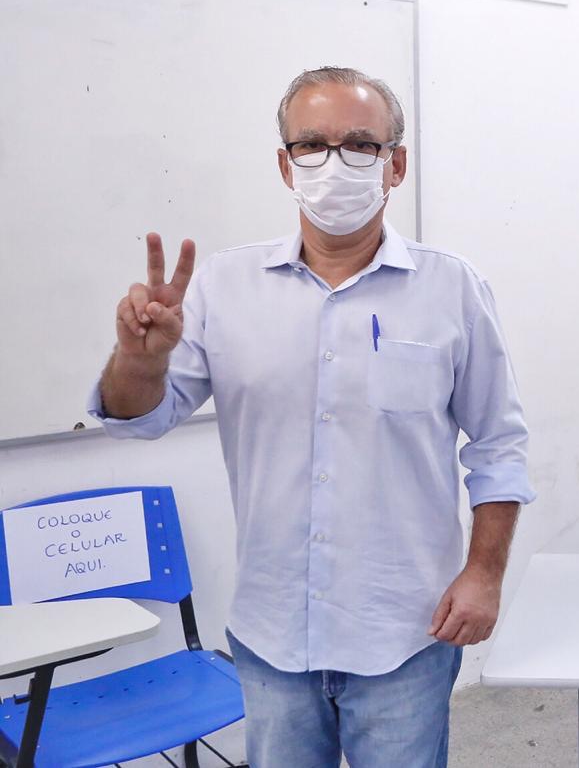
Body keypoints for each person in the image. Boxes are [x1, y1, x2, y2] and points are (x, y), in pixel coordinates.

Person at [90, 66, 533, 767]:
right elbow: (140, 419)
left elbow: (500, 446)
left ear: (397, 165)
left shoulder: (452, 288)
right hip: (272, 636)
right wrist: (139, 362)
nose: (335, 163)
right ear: (284, 164)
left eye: (361, 144)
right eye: (312, 145)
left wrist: (483, 574)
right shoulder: (223, 287)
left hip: (406, 631)